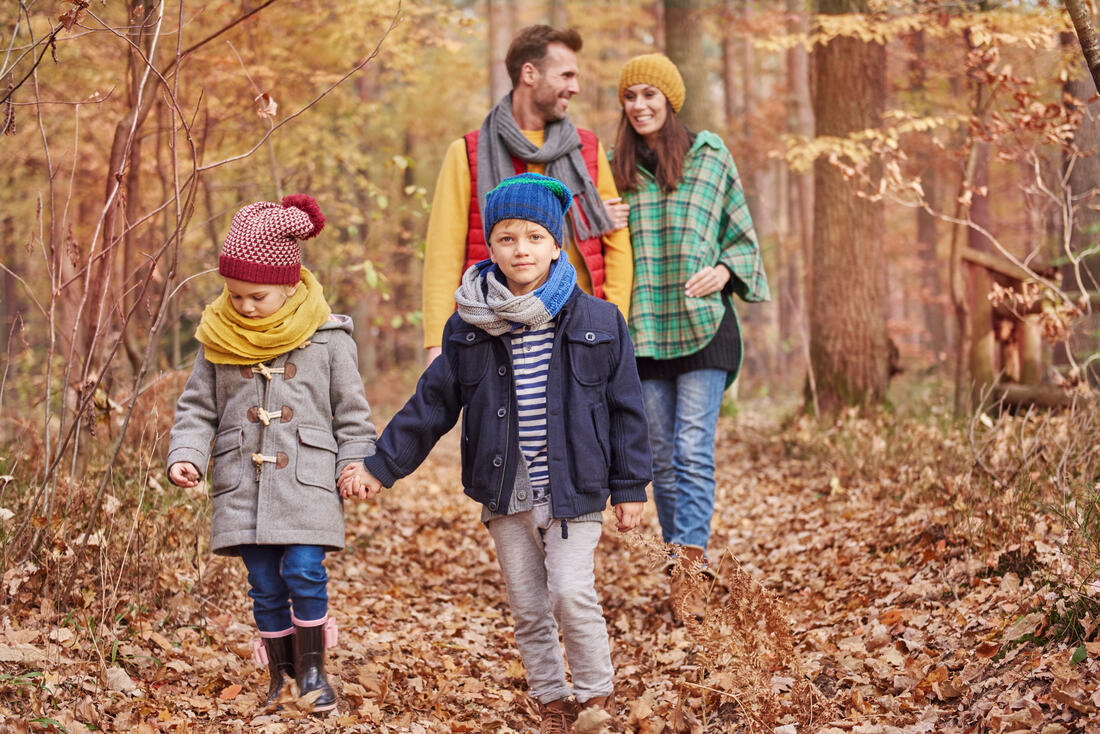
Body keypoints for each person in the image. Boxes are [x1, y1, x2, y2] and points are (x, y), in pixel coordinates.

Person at [339, 174, 651, 733]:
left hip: (576, 484)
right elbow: (430, 405)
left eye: (534, 237)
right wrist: (380, 467)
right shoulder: (468, 328)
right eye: (507, 238)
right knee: (529, 603)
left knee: (571, 591)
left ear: (556, 244)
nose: (521, 249)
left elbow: (627, 410)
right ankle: (552, 698)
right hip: (505, 487)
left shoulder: (600, 323)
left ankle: (595, 694)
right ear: (492, 247)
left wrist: (629, 488)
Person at [166, 195, 377, 714]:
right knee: (262, 581)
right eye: (234, 295)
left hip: (307, 481)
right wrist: (186, 454)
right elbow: (197, 408)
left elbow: (351, 414)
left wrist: (356, 462)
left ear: (289, 283)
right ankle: (280, 675)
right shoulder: (217, 338)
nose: (244, 307)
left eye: (256, 296)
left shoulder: (328, 338)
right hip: (243, 481)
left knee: (304, 568)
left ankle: (312, 671)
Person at [610, 54, 770, 622]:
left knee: (692, 448)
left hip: (704, 326)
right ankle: (683, 565)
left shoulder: (708, 155)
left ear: (670, 101)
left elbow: (742, 236)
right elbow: (595, 250)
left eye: (651, 95)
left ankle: (689, 571)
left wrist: (726, 270)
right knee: (659, 456)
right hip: (645, 329)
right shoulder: (614, 171)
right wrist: (599, 220)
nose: (641, 105)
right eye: (631, 97)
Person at [421, 24, 633, 365]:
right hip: (493, 329)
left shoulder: (587, 149)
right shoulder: (467, 152)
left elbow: (615, 242)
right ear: (530, 73)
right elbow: (443, 255)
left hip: (579, 330)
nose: (575, 87)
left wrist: (613, 316)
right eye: (566, 75)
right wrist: (436, 340)